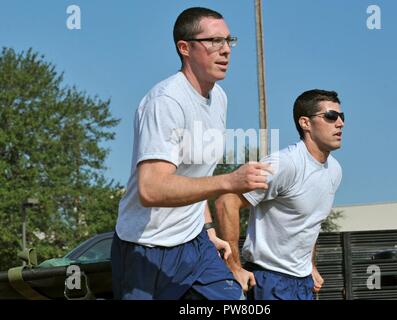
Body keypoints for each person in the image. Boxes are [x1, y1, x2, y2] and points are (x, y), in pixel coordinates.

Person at [111, 7, 271, 300]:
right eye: (213, 41)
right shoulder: (166, 102)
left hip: (194, 245)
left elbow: (195, 176)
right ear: (184, 48)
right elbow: (151, 188)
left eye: (228, 40)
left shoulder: (219, 98)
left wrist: (208, 229)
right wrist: (230, 182)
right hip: (145, 249)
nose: (225, 50)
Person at [215, 89, 344, 300]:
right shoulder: (284, 164)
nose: (340, 123)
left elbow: (310, 223)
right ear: (305, 123)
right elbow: (226, 201)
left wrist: (309, 265)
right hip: (269, 281)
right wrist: (234, 267)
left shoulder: (334, 171)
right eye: (330, 116)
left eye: (341, 116)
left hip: (303, 284)